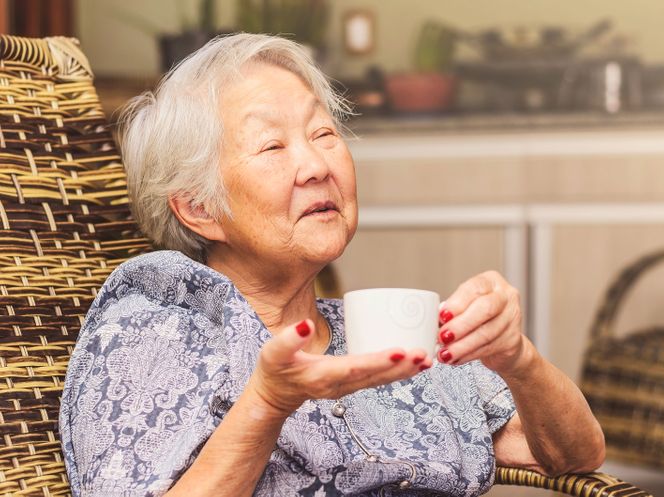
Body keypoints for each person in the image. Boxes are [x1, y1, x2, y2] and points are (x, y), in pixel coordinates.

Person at [59, 33, 605, 497]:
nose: (316, 165)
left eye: (323, 134)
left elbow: (570, 456)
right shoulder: (156, 328)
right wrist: (270, 402)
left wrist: (519, 360)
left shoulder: (377, 338)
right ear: (200, 209)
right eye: (272, 146)